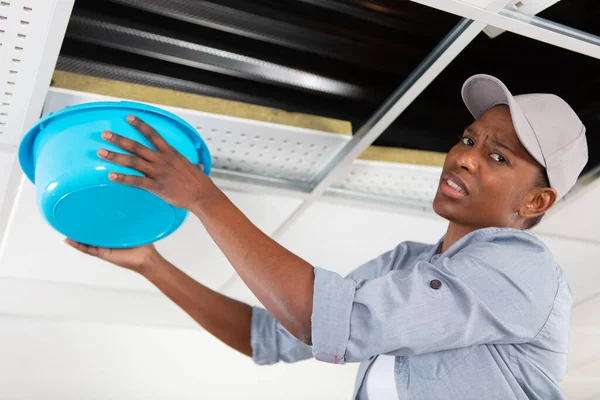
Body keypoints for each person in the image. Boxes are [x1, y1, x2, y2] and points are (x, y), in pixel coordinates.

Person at [66, 74, 588, 399]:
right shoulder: (404, 266)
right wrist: (149, 264)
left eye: (498, 156)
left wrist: (206, 199)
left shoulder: (524, 269)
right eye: (467, 138)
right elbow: (269, 337)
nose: (465, 156)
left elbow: (334, 322)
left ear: (536, 201)